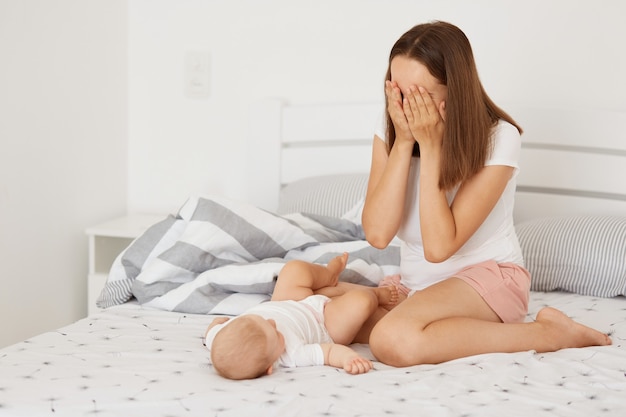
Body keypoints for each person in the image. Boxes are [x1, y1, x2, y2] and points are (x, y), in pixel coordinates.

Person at [361, 20, 612, 367]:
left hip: (488, 281)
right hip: (417, 288)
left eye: (418, 96)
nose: (405, 108)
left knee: (391, 340)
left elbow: (439, 247)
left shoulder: (500, 137)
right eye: (397, 93)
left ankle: (550, 333)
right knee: (338, 316)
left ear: (455, 93)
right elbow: (376, 234)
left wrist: (432, 149)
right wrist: (404, 142)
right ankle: (437, 327)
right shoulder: (391, 124)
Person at [204, 253, 398, 380]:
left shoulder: (220, 339)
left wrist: (217, 324)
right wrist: (349, 359)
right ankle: (376, 294)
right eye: (276, 333)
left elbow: (214, 327)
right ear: (270, 367)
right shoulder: (293, 354)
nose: (272, 322)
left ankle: (327, 274)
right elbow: (329, 353)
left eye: (264, 321)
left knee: (292, 270)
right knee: (360, 301)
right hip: (324, 323)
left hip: (286, 302)